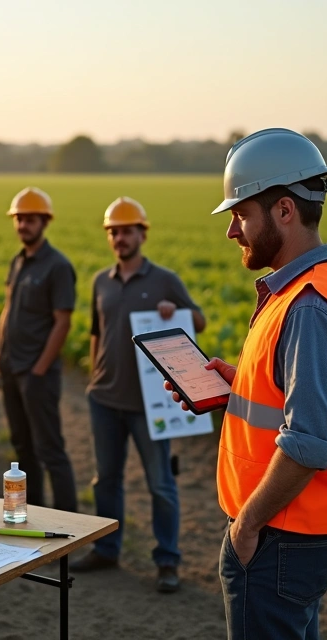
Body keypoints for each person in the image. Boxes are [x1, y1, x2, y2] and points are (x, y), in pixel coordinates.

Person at [168, 128, 327, 638]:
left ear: (283, 210)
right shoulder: (306, 288)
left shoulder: (308, 307)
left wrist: (247, 525)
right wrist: (237, 391)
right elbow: (297, 401)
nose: (233, 230)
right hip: (292, 529)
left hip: (281, 531)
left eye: (240, 214)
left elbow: (306, 443)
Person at [70, 196, 206, 594]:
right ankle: (107, 548)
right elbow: (97, 332)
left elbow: (198, 319)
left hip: (150, 405)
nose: (119, 237)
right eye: (113, 231)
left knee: (161, 484)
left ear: (142, 234)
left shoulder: (165, 280)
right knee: (105, 480)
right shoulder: (99, 281)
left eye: (127, 230)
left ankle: (167, 560)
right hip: (105, 400)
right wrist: (94, 376)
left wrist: (172, 310)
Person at [0, 186, 79, 513]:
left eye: (30, 219)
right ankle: (34, 513)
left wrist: (40, 369)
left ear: (44, 222)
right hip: (11, 370)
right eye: (19, 219)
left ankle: (70, 524)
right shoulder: (18, 262)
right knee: (22, 448)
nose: (23, 225)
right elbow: (8, 310)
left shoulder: (57, 266)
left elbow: (62, 322)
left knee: (50, 450)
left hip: (36, 374)